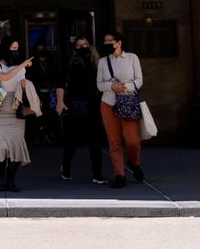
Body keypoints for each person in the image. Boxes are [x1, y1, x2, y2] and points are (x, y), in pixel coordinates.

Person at [56, 36, 108, 184]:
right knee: (72, 141)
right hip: (75, 104)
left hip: (94, 105)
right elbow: (61, 82)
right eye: (78, 45)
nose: (82, 47)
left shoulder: (98, 62)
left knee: (95, 142)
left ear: (90, 45)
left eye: (84, 44)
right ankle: (65, 168)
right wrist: (60, 101)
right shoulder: (71, 61)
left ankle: (97, 174)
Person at [97, 31, 144, 189]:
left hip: (128, 102)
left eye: (110, 41)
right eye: (105, 41)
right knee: (114, 141)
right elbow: (99, 84)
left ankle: (134, 163)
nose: (107, 43)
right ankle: (119, 174)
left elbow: (139, 80)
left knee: (133, 140)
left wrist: (125, 87)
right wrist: (112, 86)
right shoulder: (103, 61)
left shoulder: (132, 58)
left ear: (119, 42)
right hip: (108, 103)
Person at [0, 35, 34, 192]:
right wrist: (22, 65)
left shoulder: (21, 70)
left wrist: (24, 86)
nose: (16, 51)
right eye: (13, 48)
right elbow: (5, 77)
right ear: (5, 49)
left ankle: (11, 181)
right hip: (0, 108)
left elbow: (21, 88)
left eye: (17, 48)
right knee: (1, 145)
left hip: (16, 109)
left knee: (16, 146)